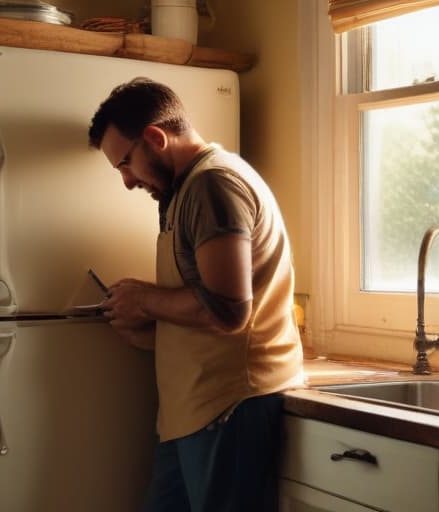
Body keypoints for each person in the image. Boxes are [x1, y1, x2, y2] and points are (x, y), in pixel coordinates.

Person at [88, 77, 304, 512]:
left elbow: (228, 310)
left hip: (230, 405)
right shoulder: (183, 189)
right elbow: (199, 301)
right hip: (194, 409)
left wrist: (145, 300)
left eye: (125, 164)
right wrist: (147, 328)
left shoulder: (213, 185)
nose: (128, 182)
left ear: (155, 137)